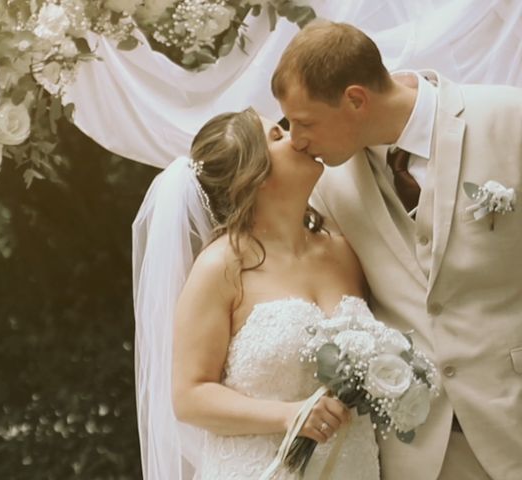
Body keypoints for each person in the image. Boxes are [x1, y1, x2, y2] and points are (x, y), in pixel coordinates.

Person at [271, 20, 522, 480]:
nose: (297, 140)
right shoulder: (326, 181)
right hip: (420, 452)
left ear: (355, 100)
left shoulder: (510, 119)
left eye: (305, 122)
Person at [132, 107, 381, 479]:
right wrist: (289, 415)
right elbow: (190, 397)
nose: (297, 138)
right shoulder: (221, 268)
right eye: (277, 137)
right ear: (255, 177)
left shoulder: (343, 252)